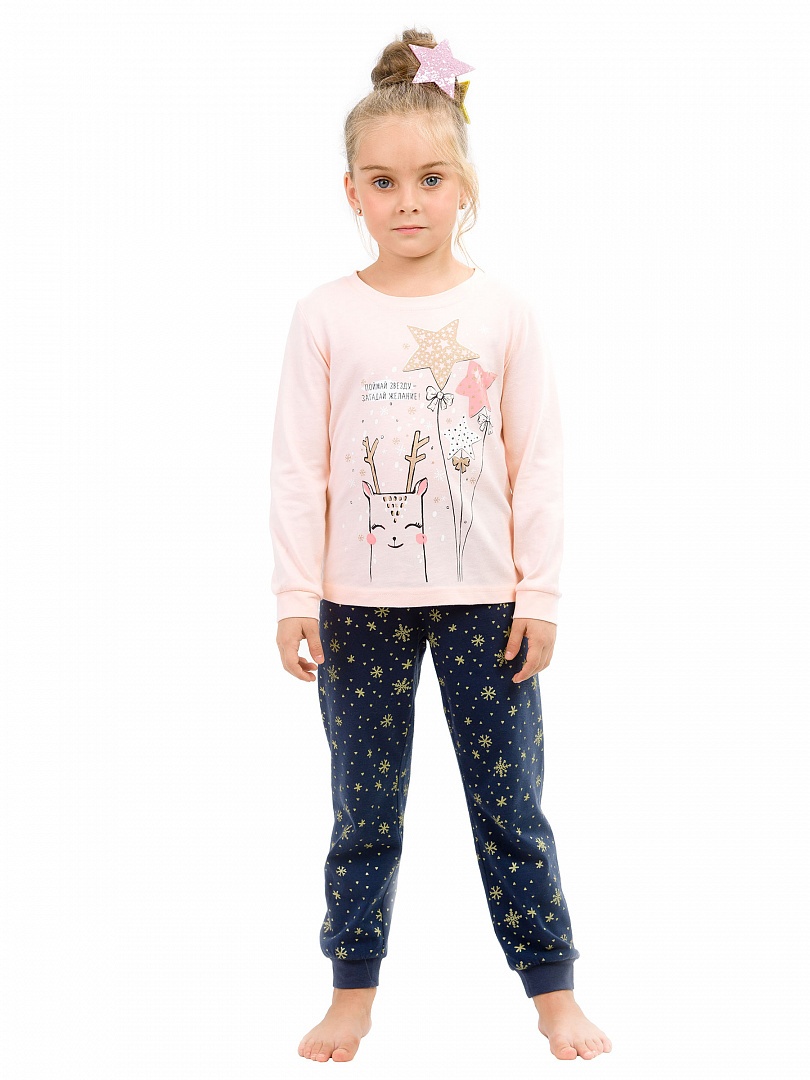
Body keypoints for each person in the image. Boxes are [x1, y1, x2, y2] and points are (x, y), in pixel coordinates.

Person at [269, 27, 613, 1065]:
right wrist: (294, 595)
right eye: (383, 182)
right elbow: (297, 468)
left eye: (429, 179)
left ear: (464, 186)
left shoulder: (503, 312)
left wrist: (539, 597)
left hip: (486, 606)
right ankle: (352, 993)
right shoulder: (324, 316)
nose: (407, 201)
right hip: (355, 607)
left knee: (511, 807)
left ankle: (553, 991)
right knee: (363, 812)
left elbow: (537, 460)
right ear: (351, 193)